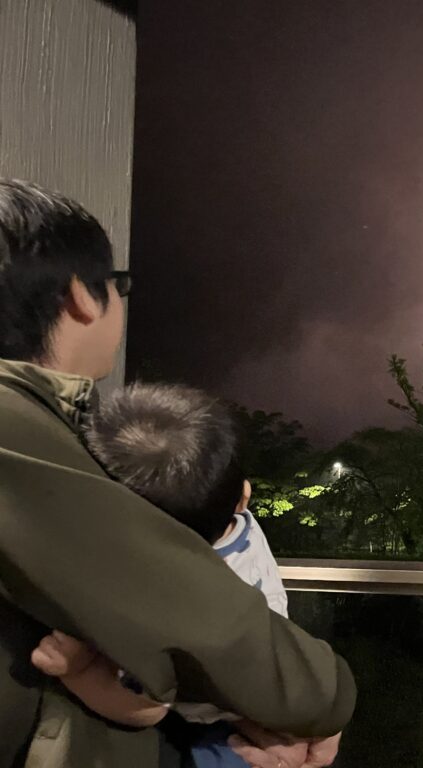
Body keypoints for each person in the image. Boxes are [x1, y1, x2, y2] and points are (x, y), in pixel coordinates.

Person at [0, 178, 356, 767]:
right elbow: (202, 621)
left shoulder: (55, 429)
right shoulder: (19, 435)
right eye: (119, 286)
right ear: (81, 298)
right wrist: (320, 698)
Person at [31, 382, 303, 767]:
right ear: (243, 496)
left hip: (220, 715)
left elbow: (147, 708)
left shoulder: (177, 600)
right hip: (258, 682)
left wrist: (79, 672)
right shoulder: (235, 520)